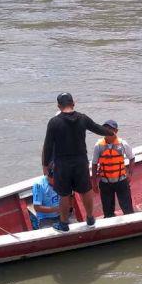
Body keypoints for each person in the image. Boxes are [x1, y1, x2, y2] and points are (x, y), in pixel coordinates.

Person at [41, 92, 113, 232]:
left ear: (58, 106)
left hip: (62, 163)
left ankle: (63, 224)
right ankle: (90, 218)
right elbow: (97, 128)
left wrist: (45, 165)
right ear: (73, 103)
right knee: (86, 190)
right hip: (81, 161)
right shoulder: (83, 118)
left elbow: (48, 146)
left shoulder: (54, 122)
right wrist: (110, 132)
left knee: (64, 194)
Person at [91, 120, 136, 219]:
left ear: (116, 130)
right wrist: (94, 183)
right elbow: (94, 164)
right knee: (108, 212)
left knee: (127, 209)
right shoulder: (98, 145)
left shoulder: (123, 143)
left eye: (110, 129)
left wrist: (130, 174)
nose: (107, 131)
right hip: (105, 183)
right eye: (105, 128)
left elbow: (132, 158)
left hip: (121, 181)